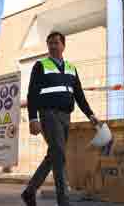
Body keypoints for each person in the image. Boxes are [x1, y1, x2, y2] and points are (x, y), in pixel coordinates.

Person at [22, 31, 99, 206]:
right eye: (49, 43)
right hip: (48, 115)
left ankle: (29, 191)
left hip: (66, 116)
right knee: (59, 157)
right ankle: (63, 201)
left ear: (63, 45)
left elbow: (79, 95)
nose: (52, 46)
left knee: (54, 155)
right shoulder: (40, 65)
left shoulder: (72, 68)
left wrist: (91, 114)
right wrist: (33, 118)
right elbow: (32, 94)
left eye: (56, 42)